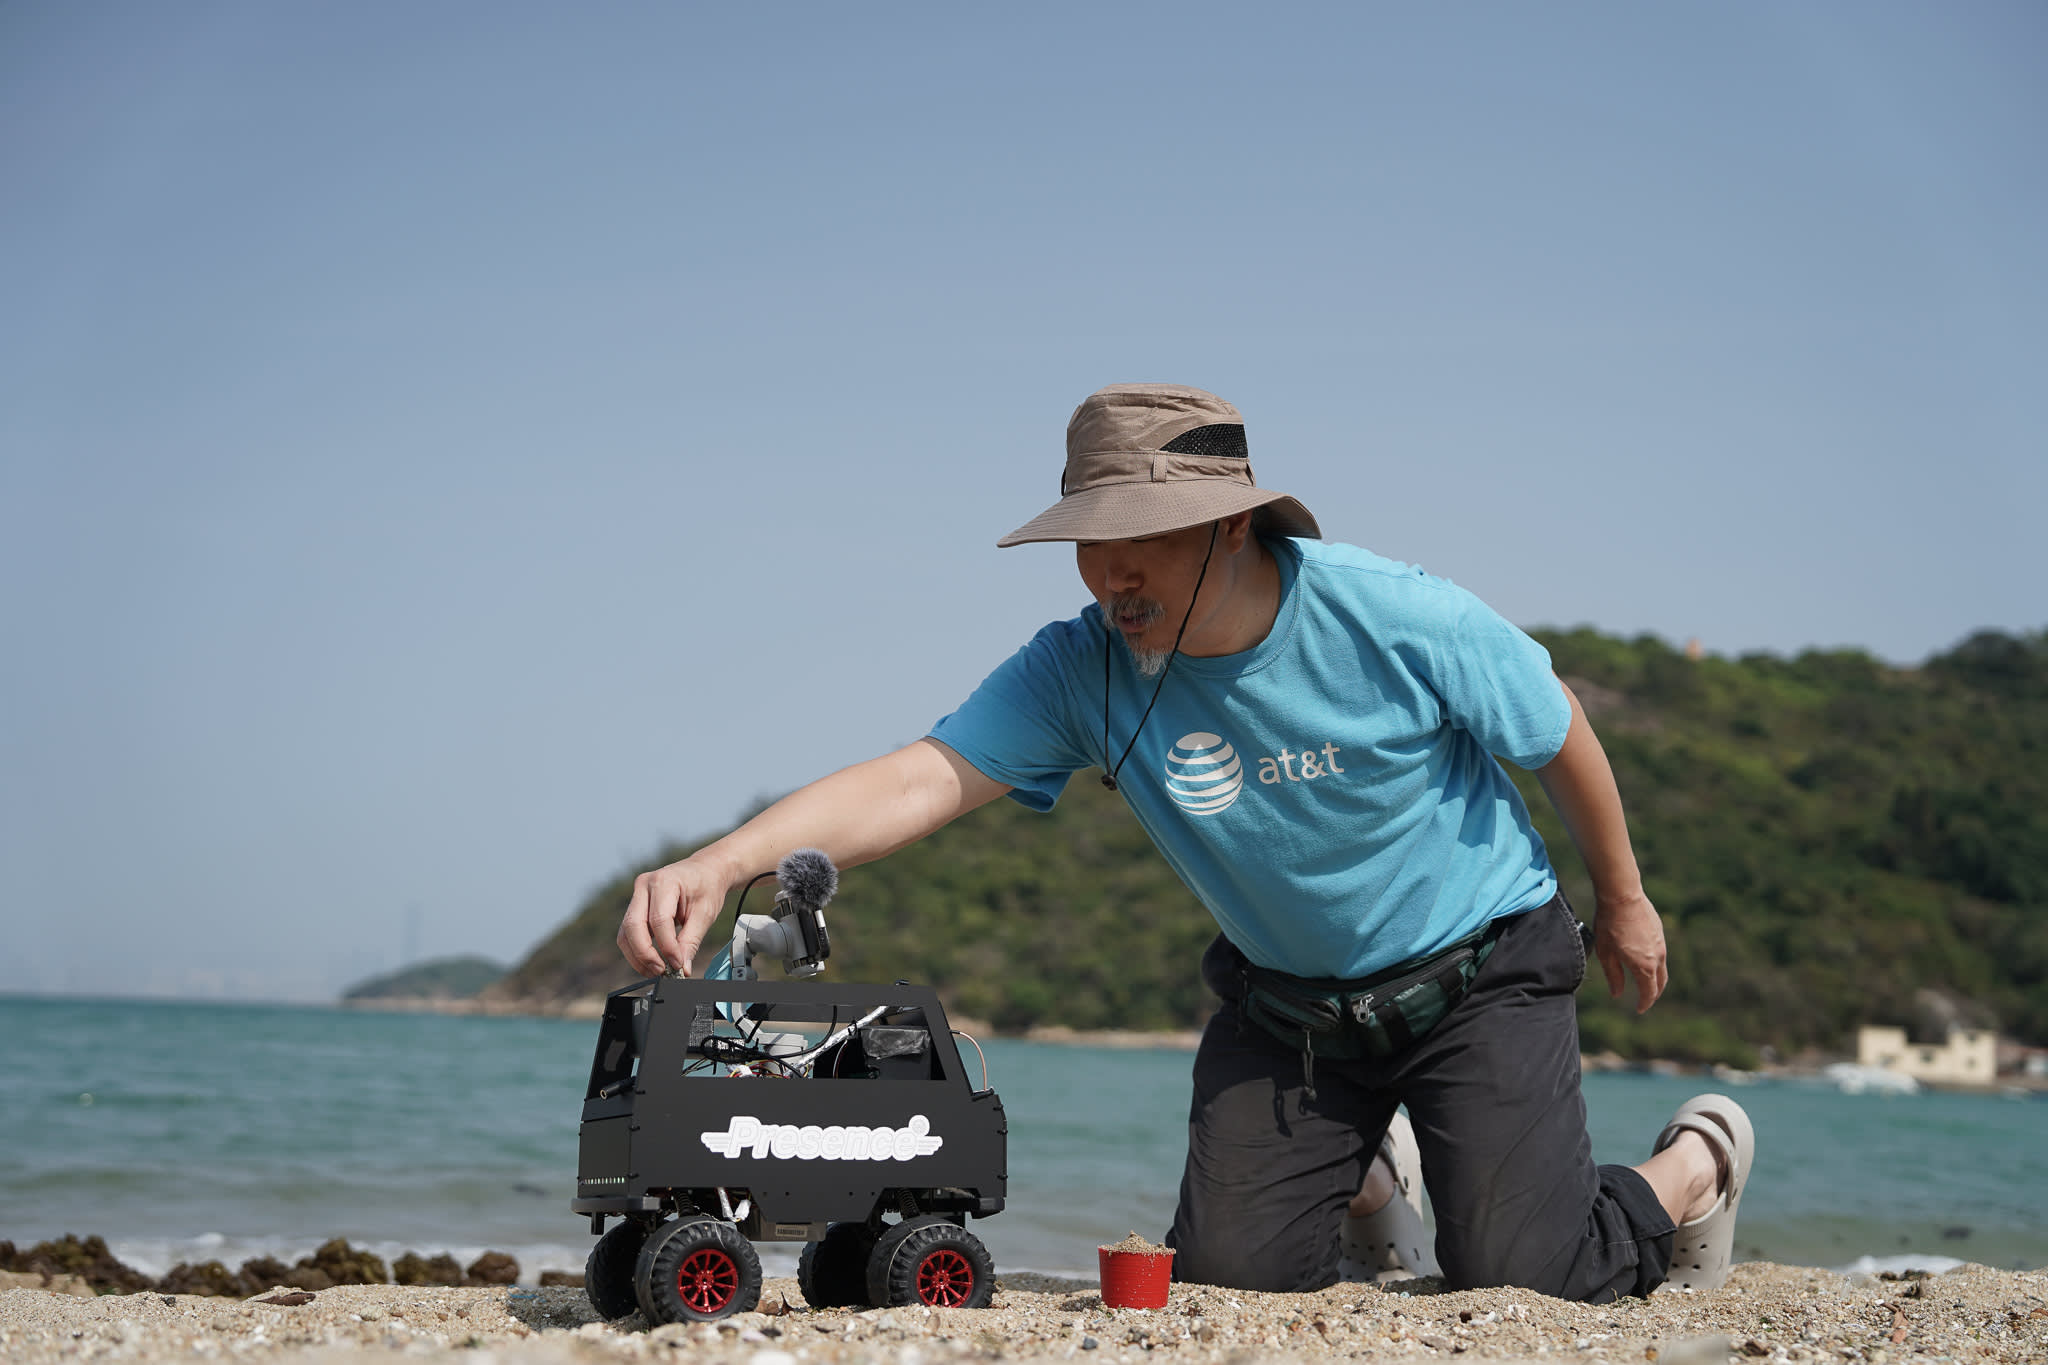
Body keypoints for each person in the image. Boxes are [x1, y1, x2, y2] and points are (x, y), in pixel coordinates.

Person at [616, 383, 1753, 1302]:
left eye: (1136, 541)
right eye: (1086, 543)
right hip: (1291, 1012)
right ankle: (1366, 1176)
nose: (1109, 573)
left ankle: (1692, 1165)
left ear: (1225, 525)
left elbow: (1556, 733)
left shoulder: (1393, 613)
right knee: (1229, 1282)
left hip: (1480, 975)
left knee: (1521, 1278)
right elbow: (918, 778)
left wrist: (1624, 897)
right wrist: (724, 861)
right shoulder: (1082, 667)